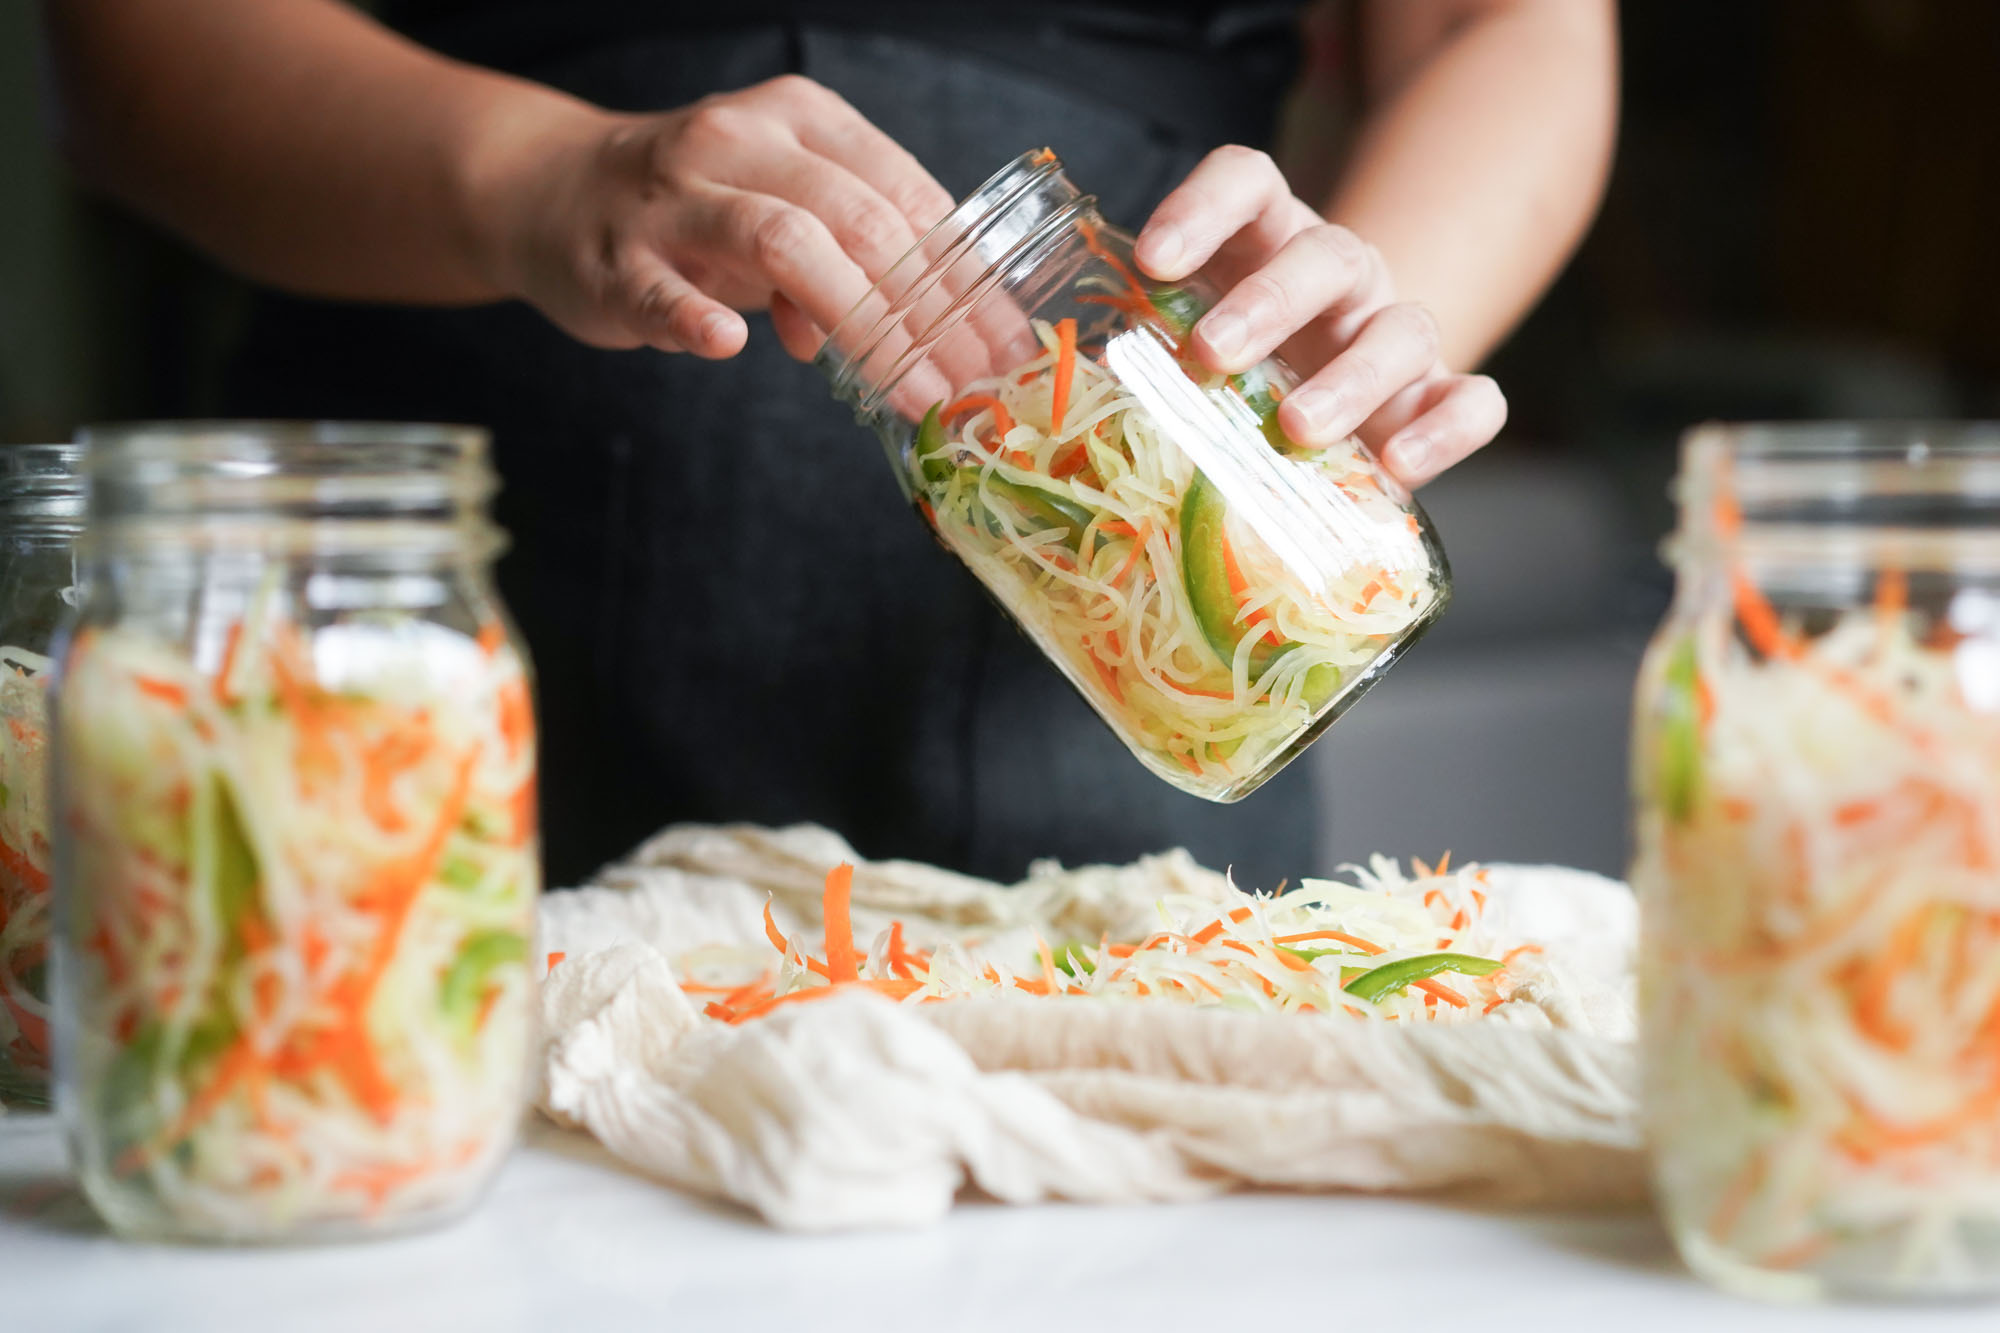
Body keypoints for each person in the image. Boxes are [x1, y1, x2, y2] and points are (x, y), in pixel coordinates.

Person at [41, 1, 1617, 888]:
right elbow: (121, 57)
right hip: (412, 601)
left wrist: (1310, 377)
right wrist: (531, 178)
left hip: (1144, 607)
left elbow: (1515, 30)